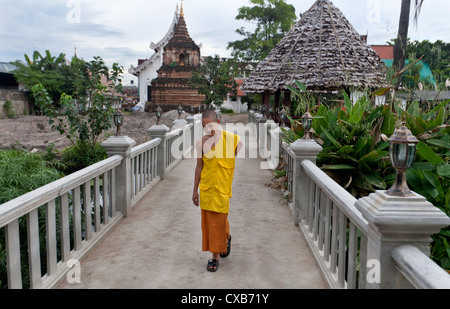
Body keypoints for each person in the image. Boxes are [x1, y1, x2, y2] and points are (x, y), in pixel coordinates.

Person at [192, 109, 243, 272]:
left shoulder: (234, 141)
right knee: (209, 225)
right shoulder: (201, 143)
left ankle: (217, 254)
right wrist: (194, 190)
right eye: (204, 126)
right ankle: (217, 251)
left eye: (210, 125)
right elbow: (199, 167)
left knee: (219, 222)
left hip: (222, 189)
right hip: (206, 188)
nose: (207, 129)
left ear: (218, 122)